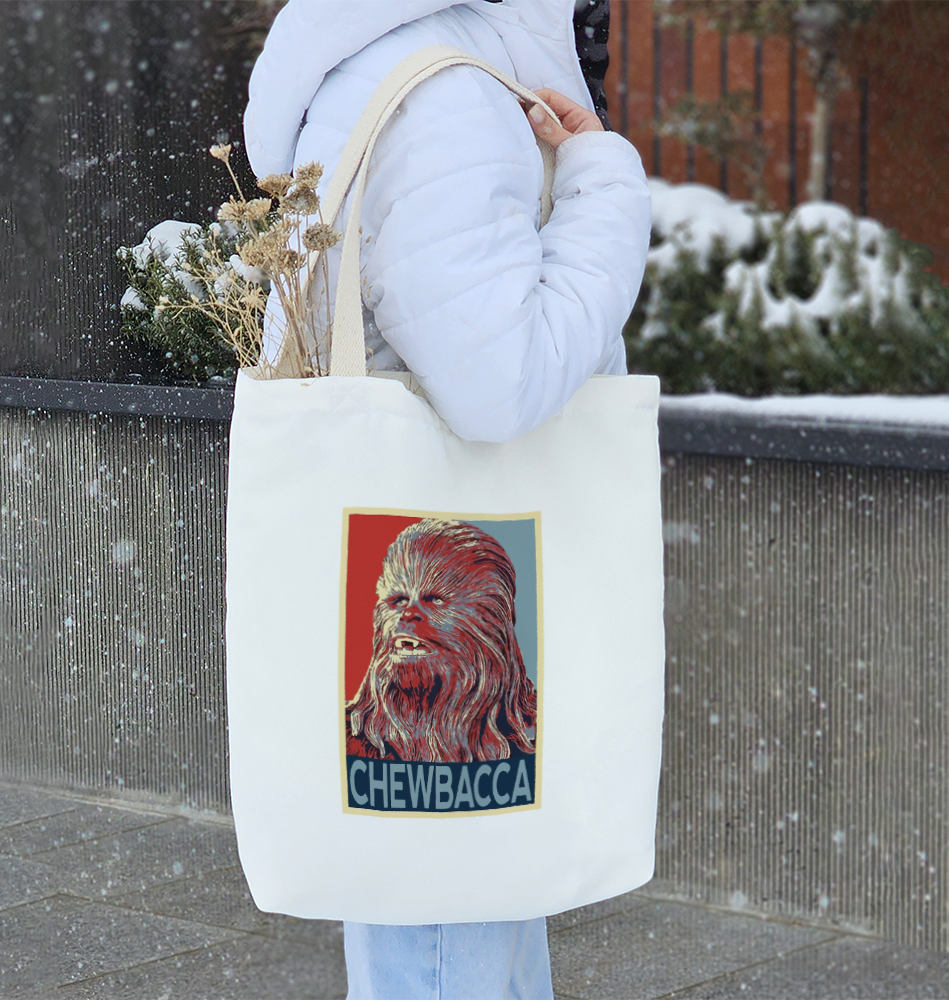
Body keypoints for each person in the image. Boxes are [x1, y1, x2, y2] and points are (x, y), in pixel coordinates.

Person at [244, 1, 651, 996]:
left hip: (431, 584)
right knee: (447, 925)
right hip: (460, 554)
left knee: (458, 904)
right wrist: (603, 185)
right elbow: (498, 384)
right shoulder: (446, 96)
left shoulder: (399, 61)